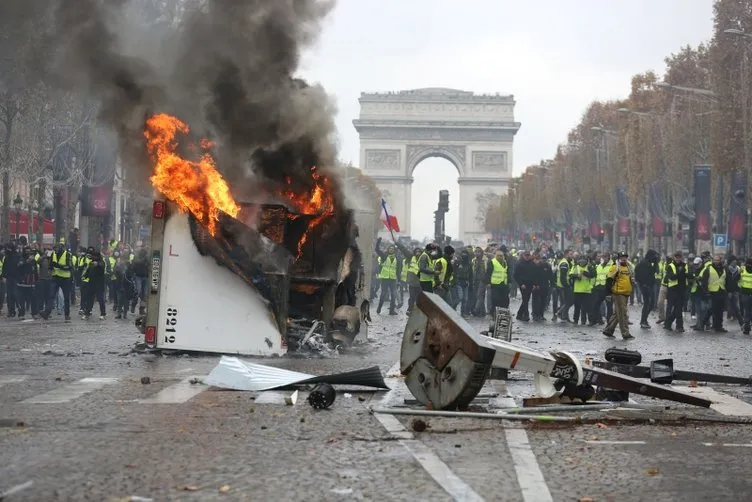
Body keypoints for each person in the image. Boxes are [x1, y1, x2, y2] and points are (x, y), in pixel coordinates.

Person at [603, 251, 634, 340]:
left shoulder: (629, 267)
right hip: (618, 293)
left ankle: (608, 330)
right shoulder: (615, 267)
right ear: (618, 258)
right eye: (622, 257)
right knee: (622, 314)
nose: (624, 258)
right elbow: (608, 280)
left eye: (625, 257)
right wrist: (608, 294)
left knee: (617, 313)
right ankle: (625, 333)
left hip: (626, 293)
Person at [663, 251, 687, 332]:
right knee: (670, 309)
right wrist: (680, 273)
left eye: (679, 257)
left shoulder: (684, 265)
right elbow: (672, 277)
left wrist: (680, 274)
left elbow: (688, 275)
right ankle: (668, 324)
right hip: (672, 289)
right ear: (674, 257)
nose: (678, 258)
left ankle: (679, 326)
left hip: (681, 289)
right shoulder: (670, 266)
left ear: (681, 257)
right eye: (676, 257)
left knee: (679, 309)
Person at [738, 257, 752, 335]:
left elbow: (737, 279)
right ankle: (747, 327)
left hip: (744, 294)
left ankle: (746, 328)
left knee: (747, 311)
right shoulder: (742, 269)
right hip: (747, 294)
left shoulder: (742, 270)